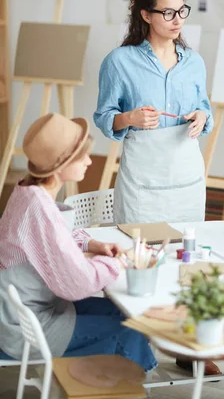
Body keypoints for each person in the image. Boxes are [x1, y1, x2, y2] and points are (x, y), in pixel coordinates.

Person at [0, 113, 156, 373]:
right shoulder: (38, 208)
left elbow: (49, 239)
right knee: (132, 329)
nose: (88, 161)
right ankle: (133, 385)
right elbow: (79, 284)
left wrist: (93, 245)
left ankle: (119, 380)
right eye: (82, 156)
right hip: (29, 329)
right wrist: (116, 261)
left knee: (125, 313)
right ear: (60, 166)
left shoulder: (27, 191)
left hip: (29, 312)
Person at [94, 0, 213, 225]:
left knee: (185, 253)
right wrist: (129, 118)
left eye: (182, 11)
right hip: (142, 184)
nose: (177, 20)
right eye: (168, 13)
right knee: (137, 252)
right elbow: (104, 117)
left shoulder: (194, 62)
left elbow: (204, 108)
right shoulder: (119, 62)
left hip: (187, 179)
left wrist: (202, 116)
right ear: (146, 15)